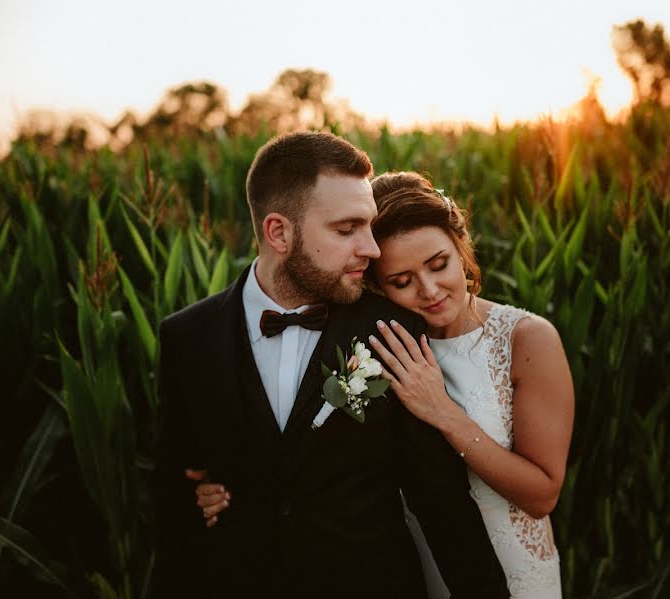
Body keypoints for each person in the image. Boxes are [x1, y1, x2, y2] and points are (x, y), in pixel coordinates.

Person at [154, 135, 507, 598]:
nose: (372, 249)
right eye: (347, 230)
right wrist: (198, 500)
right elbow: (174, 497)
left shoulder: (392, 331)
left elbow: (441, 503)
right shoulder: (188, 338)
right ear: (279, 232)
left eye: (370, 227)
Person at [197, 171, 574, 598]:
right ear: (375, 283)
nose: (429, 290)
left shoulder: (526, 340)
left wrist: (443, 413)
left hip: (513, 571)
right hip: (412, 567)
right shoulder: (363, 347)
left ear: (460, 245)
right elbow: (304, 453)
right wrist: (226, 488)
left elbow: (543, 495)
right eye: (402, 281)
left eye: (439, 264)